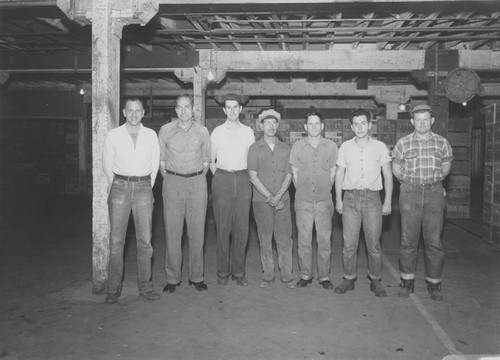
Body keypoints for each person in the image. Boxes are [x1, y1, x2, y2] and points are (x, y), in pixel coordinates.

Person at [102, 98, 161, 304]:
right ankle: (113, 289)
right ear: (124, 113)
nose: (134, 114)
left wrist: (146, 184)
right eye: (130, 111)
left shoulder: (151, 135)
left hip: (144, 188)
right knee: (117, 242)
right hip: (119, 188)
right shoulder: (113, 135)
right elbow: (107, 165)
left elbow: (154, 163)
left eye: (138, 111)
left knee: (145, 242)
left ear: (143, 113)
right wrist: (119, 184)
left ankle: (145, 287)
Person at [392, 104, 453, 301]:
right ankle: (407, 281)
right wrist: (410, 183)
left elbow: (446, 165)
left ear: (432, 121)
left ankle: (434, 283)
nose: (422, 123)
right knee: (408, 241)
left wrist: (434, 182)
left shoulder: (442, 142)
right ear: (412, 122)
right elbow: (396, 167)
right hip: (410, 192)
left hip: (434, 193)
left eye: (426, 119)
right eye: (418, 120)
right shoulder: (403, 143)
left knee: (433, 241)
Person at [334, 109, 393, 297]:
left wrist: (388, 201)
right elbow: (339, 175)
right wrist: (338, 199)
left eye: (363, 123)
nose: (359, 127)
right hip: (350, 199)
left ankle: (376, 280)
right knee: (349, 244)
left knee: (373, 244)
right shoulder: (344, 147)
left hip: (373, 199)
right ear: (352, 126)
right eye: (356, 124)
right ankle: (348, 278)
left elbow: (388, 175)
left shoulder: (380, 147)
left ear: (369, 125)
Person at [158, 94, 211, 293]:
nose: (183, 111)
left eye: (187, 107)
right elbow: (161, 161)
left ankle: (196, 277)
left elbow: (206, 162)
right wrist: (173, 178)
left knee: (197, 232)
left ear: (193, 109)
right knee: (173, 232)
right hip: (172, 182)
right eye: (179, 107)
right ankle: (173, 279)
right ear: (175, 110)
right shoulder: (165, 131)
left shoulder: (203, 131)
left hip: (197, 183)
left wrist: (194, 177)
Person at [210, 93, 255, 286]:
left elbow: (251, 159)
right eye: (228, 107)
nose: (232, 111)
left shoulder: (247, 132)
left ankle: (238, 272)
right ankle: (222, 272)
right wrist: (220, 177)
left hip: (243, 179)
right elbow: (211, 161)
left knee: (241, 228)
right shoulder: (217, 132)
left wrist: (241, 178)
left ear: (241, 109)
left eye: (235, 107)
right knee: (222, 228)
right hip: (222, 178)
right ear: (224, 110)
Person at [290, 110, 338, 290]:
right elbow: (294, 173)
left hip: (324, 201)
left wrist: (324, 189)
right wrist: (304, 191)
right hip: (302, 202)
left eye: (317, 123)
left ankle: (324, 276)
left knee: (324, 241)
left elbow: (333, 172)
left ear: (322, 126)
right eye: (310, 124)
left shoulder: (331, 147)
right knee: (304, 240)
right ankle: (305, 274)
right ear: (305, 127)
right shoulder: (297, 147)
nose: (314, 127)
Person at [247, 109, 295, 289]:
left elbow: (289, 175)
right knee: (265, 238)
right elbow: (253, 176)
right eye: (267, 123)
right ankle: (268, 275)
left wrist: (279, 195)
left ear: (278, 126)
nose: (271, 126)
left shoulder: (285, 148)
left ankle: (287, 276)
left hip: (283, 199)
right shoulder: (254, 148)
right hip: (261, 201)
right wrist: (270, 197)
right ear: (261, 126)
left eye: (274, 123)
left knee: (284, 239)